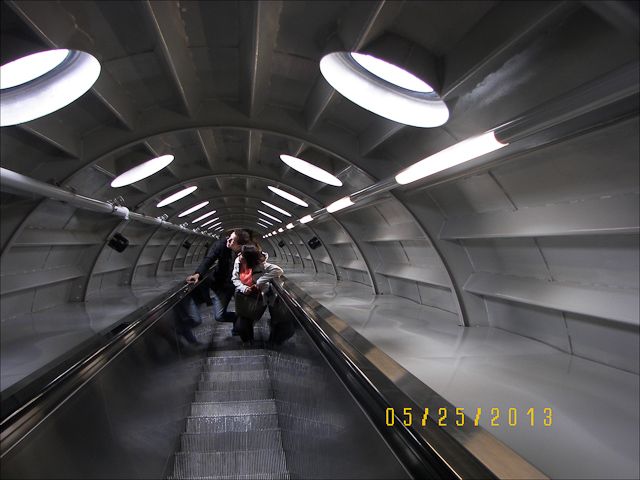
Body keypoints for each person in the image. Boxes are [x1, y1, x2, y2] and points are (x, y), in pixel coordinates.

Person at [186, 229, 251, 329]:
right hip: (223, 285)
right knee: (219, 316)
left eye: (232, 240)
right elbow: (209, 259)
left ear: (239, 246)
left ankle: (242, 331)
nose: (228, 240)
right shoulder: (222, 245)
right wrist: (197, 275)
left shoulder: (249, 251)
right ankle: (237, 319)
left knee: (244, 312)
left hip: (241, 287)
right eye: (229, 237)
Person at [231, 244, 283, 344]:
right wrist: (244, 288)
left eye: (242, 254)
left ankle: (273, 341)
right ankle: (249, 341)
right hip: (245, 295)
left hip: (260, 296)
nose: (238, 255)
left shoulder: (261, 265)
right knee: (241, 325)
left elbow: (278, 270)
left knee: (281, 324)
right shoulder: (238, 262)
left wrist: (259, 282)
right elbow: (235, 278)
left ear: (248, 258)